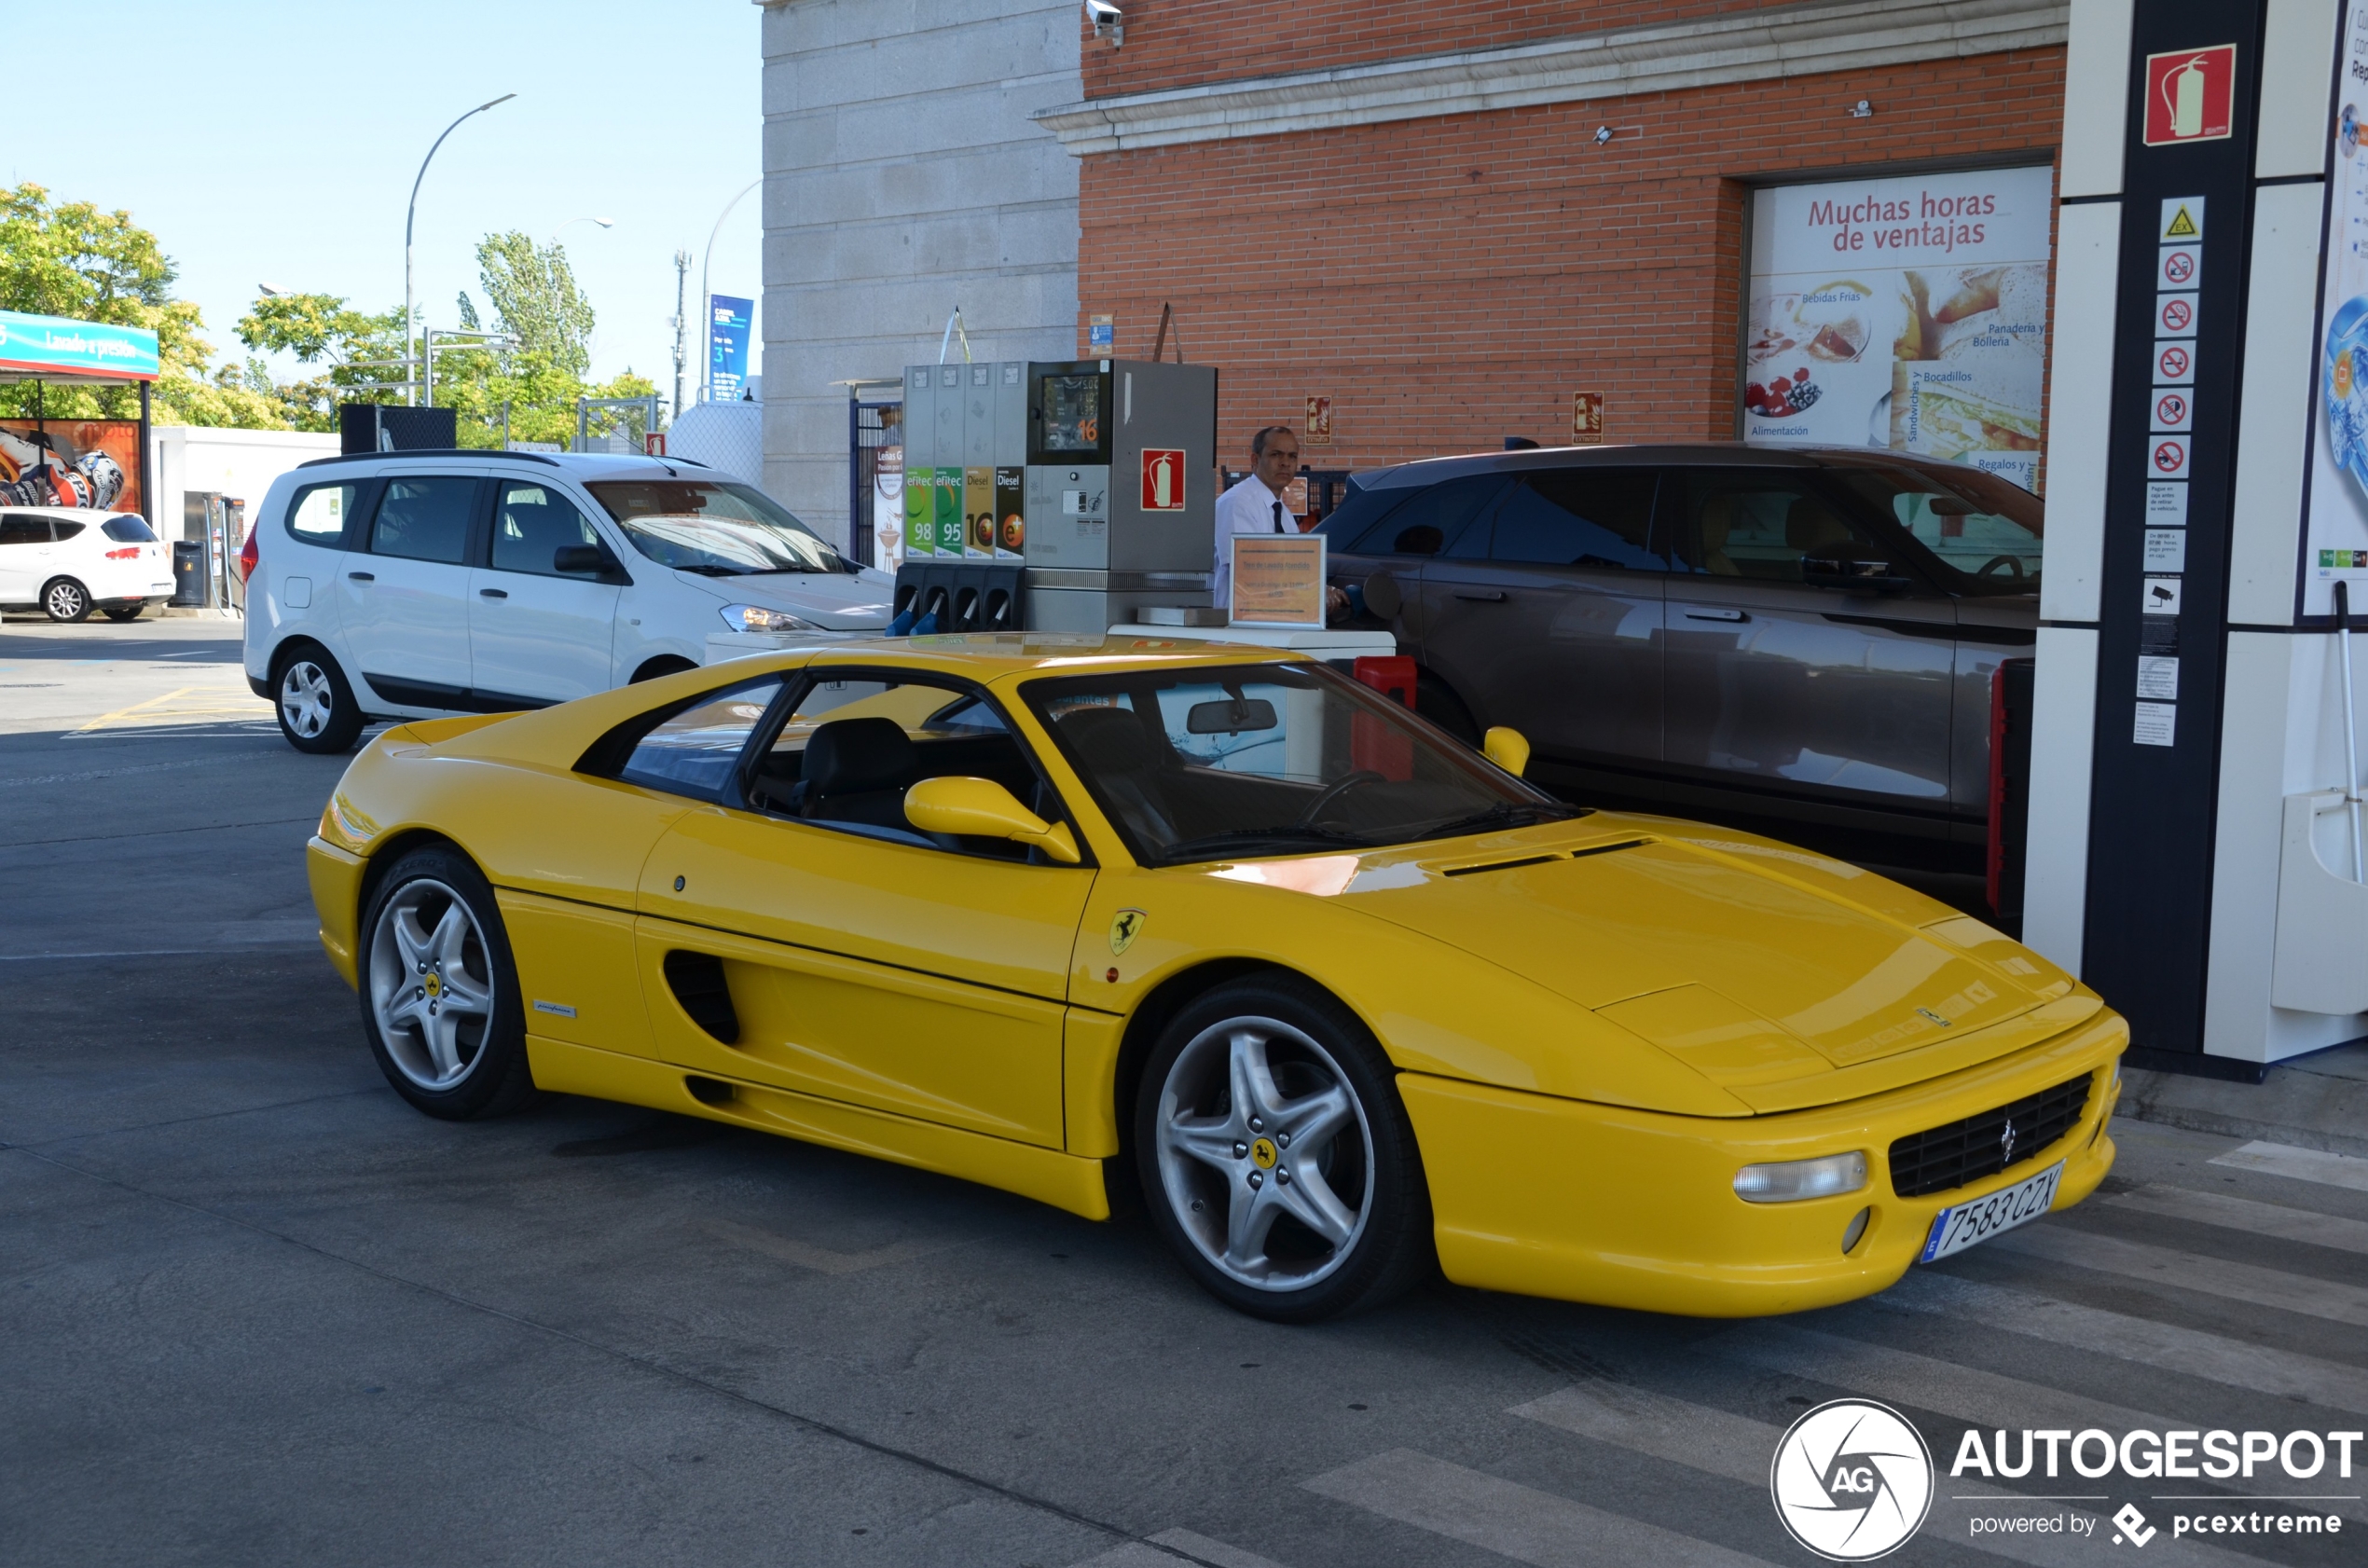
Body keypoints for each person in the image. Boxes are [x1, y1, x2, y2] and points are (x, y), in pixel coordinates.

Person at [1213, 426, 1348, 616]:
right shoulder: (1237, 502)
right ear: (1255, 459)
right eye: (1276, 455)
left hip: (1277, 619)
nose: (1286, 463)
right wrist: (1313, 591)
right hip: (1242, 623)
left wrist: (1321, 589)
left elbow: (1291, 568)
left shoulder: (1283, 511)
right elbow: (1248, 569)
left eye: (1292, 456)